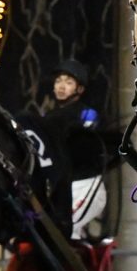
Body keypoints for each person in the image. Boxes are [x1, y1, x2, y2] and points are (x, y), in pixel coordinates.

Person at [44, 59, 108, 240]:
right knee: (64, 235)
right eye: (58, 81)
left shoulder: (86, 114)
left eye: (68, 82)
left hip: (85, 185)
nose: (61, 86)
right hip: (62, 187)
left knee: (63, 231)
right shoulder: (48, 117)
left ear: (79, 89)